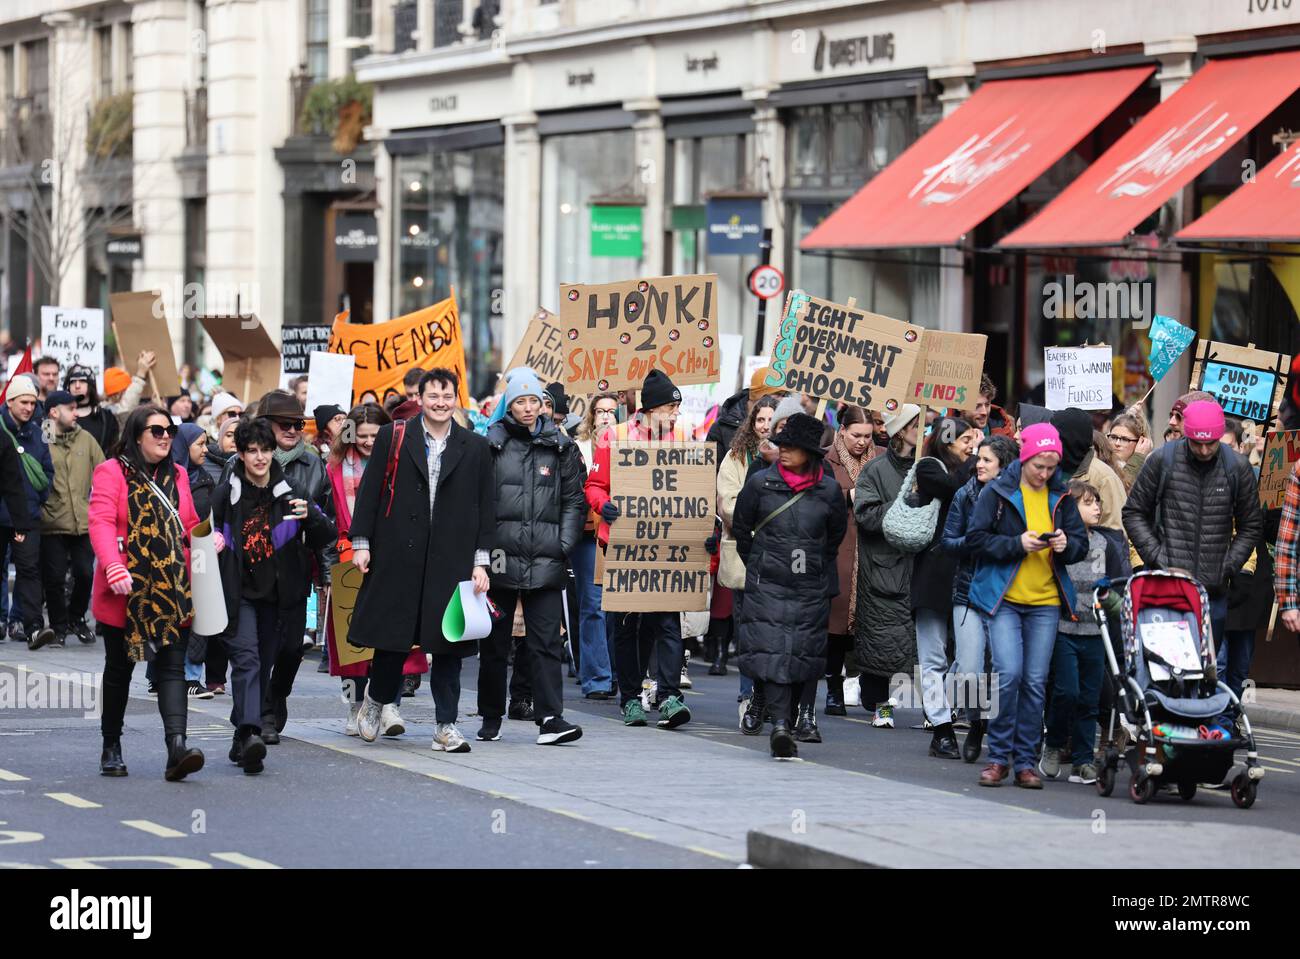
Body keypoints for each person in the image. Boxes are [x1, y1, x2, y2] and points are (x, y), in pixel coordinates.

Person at [349, 368, 495, 753]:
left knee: (449, 644)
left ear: (456, 398)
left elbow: (485, 509)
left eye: (447, 396)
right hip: (399, 553)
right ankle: (376, 702)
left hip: (451, 560)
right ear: (422, 397)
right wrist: (361, 543)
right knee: (392, 641)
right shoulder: (394, 436)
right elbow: (370, 491)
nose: (441, 403)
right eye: (433, 396)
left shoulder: (475, 447)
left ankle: (445, 726)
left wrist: (482, 563)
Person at [212, 418, 336, 773]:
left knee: (264, 664)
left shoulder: (290, 489)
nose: (260, 457)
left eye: (265, 450)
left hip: (280, 596)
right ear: (241, 454)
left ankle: (241, 735)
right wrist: (213, 543)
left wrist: (309, 515)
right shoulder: (228, 493)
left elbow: (325, 533)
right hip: (239, 593)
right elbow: (203, 533)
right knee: (247, 661)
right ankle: (251, 733)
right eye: (252, 451)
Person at [967, 423, 1087, 788]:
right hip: (1005, 600)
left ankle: (1025, 763)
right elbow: (975, 540)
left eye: (1052, 467)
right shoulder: (999, 491)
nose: (1045, 473)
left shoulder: (1062, 495)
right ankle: (998, 758)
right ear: (1025, 457)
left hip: (1046, 602)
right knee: (1009, 675)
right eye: (1039, 466)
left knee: (1036, 682)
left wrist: (1068, 544)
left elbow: (1080, 543)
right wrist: (1017, 544)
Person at [89, 405, 205, 781]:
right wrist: (112, 564)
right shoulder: (111, 472)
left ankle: (177, 747)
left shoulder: (180, 474)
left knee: (172, 669)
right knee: (119, 670)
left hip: (172, 588)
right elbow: (102, 521)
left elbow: (187, 523)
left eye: (170, 430)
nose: (165, 436)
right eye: (156, 430)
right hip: (126, 589)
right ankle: (111, 745)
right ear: (137, 435)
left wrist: (207, 537)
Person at [479, 368, 586, 745]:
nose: (527, 408)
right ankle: (490, 716)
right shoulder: (491, 444)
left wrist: (563, 543)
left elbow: (575, 498)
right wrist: (481, 551)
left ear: (544, 405)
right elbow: (478, 501)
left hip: (546, 557)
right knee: (495, 642)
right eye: (520, 401)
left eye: (534, 401)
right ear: (509, 404)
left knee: (545, 642)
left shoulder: (561, 445)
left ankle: (551, 718)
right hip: (499, 558)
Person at [732, 413, 847, 759]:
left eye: (791, 447)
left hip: (809, 587)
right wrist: (762, 562)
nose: (781, 451)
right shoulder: (760, 483)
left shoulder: (827, 490)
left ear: (809, 453)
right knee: (772, 654)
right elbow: (742, 529)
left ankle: (793, 718)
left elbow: (834, 537)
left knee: (800, 654)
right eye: (781, 445)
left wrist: (809, 565)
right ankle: (781, 726)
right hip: (768, 584)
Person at [585, 369, 692, 730]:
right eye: (670, 407)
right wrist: (604, 505)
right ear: (651, 409)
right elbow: (594, 486)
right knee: (626, 626)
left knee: (668, 622)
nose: (676, 414)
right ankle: (630, 698)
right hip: (625, 543)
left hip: (667, 543)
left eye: (678, 407)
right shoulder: (613, 437)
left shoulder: (682, 436)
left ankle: (669, 696)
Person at [1123, 399, 1261, 652]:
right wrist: (1156, 557)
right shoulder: (1162, 460)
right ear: (1187, 435)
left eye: (1211, 443)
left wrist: (1228, 565)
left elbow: (1251, 525)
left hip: (1213, 589)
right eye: (1198, 443)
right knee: (1165, 668)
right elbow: (1133, 512)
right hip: (1167, 585)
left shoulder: (1237, 467)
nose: (1205, 450)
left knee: (1205, 672)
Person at [238, 390, 335, 734]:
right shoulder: (239, 468)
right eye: (285, 424)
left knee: (293, 649)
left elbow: (327, 523)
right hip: (251, 577)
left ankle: (277, 696)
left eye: (298, 423)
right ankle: (261, 714)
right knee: (261, 649)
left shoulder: (312, 465)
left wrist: (326, 572)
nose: (293, 430)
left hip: (294, 574)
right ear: (264, 425)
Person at [325, 403, 421, 734]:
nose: (367, 442)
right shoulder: (335, 469)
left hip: (393, 556)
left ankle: (390, 704)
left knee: (394, 637)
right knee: (352, 645)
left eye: (374, 435)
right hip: (348, 557)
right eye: (361, 435)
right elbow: (327, 518)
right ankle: (355, 707)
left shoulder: (401, 464)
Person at [1040, 480, 1131, 785]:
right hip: (1064, 629)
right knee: (1066, 692)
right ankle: (1053, 745)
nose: (1097, 507)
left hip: (1095, 632)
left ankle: (1082, 761)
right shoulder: (1060, 542)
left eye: (1097, 502)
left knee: (1090, 699)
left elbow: (1114, 587)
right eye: (1089, 502)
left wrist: (1118, 606)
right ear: (1070, 509)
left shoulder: (1106, 544)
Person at [942, 433, 1019, 762]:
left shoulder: (1019, 496)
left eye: (986, 459)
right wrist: (975, 544)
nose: (978, 464)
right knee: (971, 666)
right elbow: (949, 541)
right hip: (969, 589)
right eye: (977, 457)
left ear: (1004, 465)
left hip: (1008, 592)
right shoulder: (965, 494)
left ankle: (991, 728)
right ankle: (976, 722)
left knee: (1002, 667)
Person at [911, 415, 978, 760]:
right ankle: (941, 728)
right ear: (945, 440)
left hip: (969, 574)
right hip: (934, 574)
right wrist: (978, 461)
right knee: (933, 655)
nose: (970, 445)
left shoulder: (980, 472)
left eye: (971, 439)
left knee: (970, 658)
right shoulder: (929, 468)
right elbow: (954, 487)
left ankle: (947, 704)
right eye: (964, 439)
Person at [852, 404, 922, 728]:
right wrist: (903, 505)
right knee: (881, 643)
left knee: (924, 645)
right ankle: (881, 706)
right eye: (914, 425)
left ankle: (935, 713)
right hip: (884, 568)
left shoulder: (929, 466)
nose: (920, 431)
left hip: (919, 567)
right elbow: (865, 515)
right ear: (899, 431)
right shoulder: (875, 470)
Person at [717, 394, 780, 684]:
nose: (765, 426)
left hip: (779, 554)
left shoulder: (794, 457)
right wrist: (756, 520)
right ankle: (748, 694)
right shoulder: (736, 456)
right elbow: (728, 502)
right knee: (746, 626)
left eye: (771, 419)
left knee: (773, 629)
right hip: (746, 552)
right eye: (760, 419)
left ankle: (769, 692)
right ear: (751, 423)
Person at [820, 406, 876, 717]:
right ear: (842, 430)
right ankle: (833, 689)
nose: (862, 442)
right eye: (856, 435)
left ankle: (866, 685)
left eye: (867, 436)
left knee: (866, 626)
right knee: (835, 627)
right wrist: (847, 495)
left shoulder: (879, 457)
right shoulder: (826, 458)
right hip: (839, 549)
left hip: (869, 551)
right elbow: (820, 495)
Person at [40, 390, 105, 647]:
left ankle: (77, 617)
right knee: (54, 580)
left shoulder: (86, 439)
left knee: (84, 574)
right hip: (51, 522)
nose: (76, 413)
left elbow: (103, 472)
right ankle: (58, 627)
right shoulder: (41, 438)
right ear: (54, 412)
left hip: (82, 521)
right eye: (70, 408)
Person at [1, 374, 55, 648]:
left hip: (29, 515)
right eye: (24, 401)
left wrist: (37, 498)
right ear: (10, 401)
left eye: (33, 403)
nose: (29, 408)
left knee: (30, 570)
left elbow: (48, 471)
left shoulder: (39, 432)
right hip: (2, 514)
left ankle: (33, 627)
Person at [573, 391, 620, 699]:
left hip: (622, 534)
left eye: (612, 411)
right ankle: (597, 678)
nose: (606, 416)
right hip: (588, 536)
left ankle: (617, 672)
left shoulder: (630, 445)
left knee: (618, 608)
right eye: (600, 411)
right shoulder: (579, 449)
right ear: (591, 416)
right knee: (593, 606)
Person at [1051, 407, 1128, 530]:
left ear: (1068, 438)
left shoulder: (1104, 477)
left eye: (1054, 435)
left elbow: (1116, 530)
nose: (1050, 440)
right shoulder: (1049, 470)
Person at [65, 365, 120, 454]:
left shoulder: (106, 417)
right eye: (73, 382)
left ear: (91, 385)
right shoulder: (58, 416)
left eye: (82, 381)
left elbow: (113, 449)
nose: (77, 386)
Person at [103, 350, 155, 421]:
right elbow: (125, 409)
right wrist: (140, 374)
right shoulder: (107, 411)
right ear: (118, 394)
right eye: (128, 390)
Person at [1105, 412, 1151, 492]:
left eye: (1125, 439)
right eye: (1113, 437)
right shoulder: (1102, 464)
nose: (1117, 443)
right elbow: (1117, 492)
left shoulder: (1150, 469)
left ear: (1140, 442)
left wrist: (1138, 458)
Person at [968, 373, 1017, 439]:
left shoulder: (1006, 430)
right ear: (960, 407)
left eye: (987, 405)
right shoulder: (950, 431)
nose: (984, 412)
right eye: (977, 406)